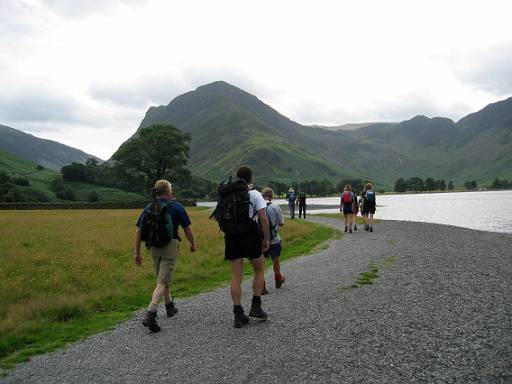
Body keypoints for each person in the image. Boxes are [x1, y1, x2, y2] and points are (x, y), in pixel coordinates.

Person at [134, 179, 196, 333]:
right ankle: (151, 313)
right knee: (162, 281)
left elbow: (138, 231)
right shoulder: (176, 207)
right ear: (168, 192)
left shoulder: (149, 207)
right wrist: (192, 244)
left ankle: (169, 306)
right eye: (171, 189)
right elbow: (187, 229)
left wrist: (137, 252)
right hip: (170, 246)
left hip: (153, 247)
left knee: (162, 277)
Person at [217, 166, 270, 328]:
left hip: (232, 237)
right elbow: (263, 217)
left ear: (237, 177)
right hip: (250, 235)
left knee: (236, 276)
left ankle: (238, 314)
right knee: (259, 269)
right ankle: (256, 305)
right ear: (250, 178)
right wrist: (266, 238)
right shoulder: (254, 194)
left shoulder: (227, 194)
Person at [261, 187, 286, 293]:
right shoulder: (275, 207)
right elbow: (281, 223)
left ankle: (261, 285)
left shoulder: (256, 207)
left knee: (260, 261)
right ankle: (278, 278)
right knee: (275, 259)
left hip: (260, 240)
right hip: (273, 238)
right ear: (271, 196)